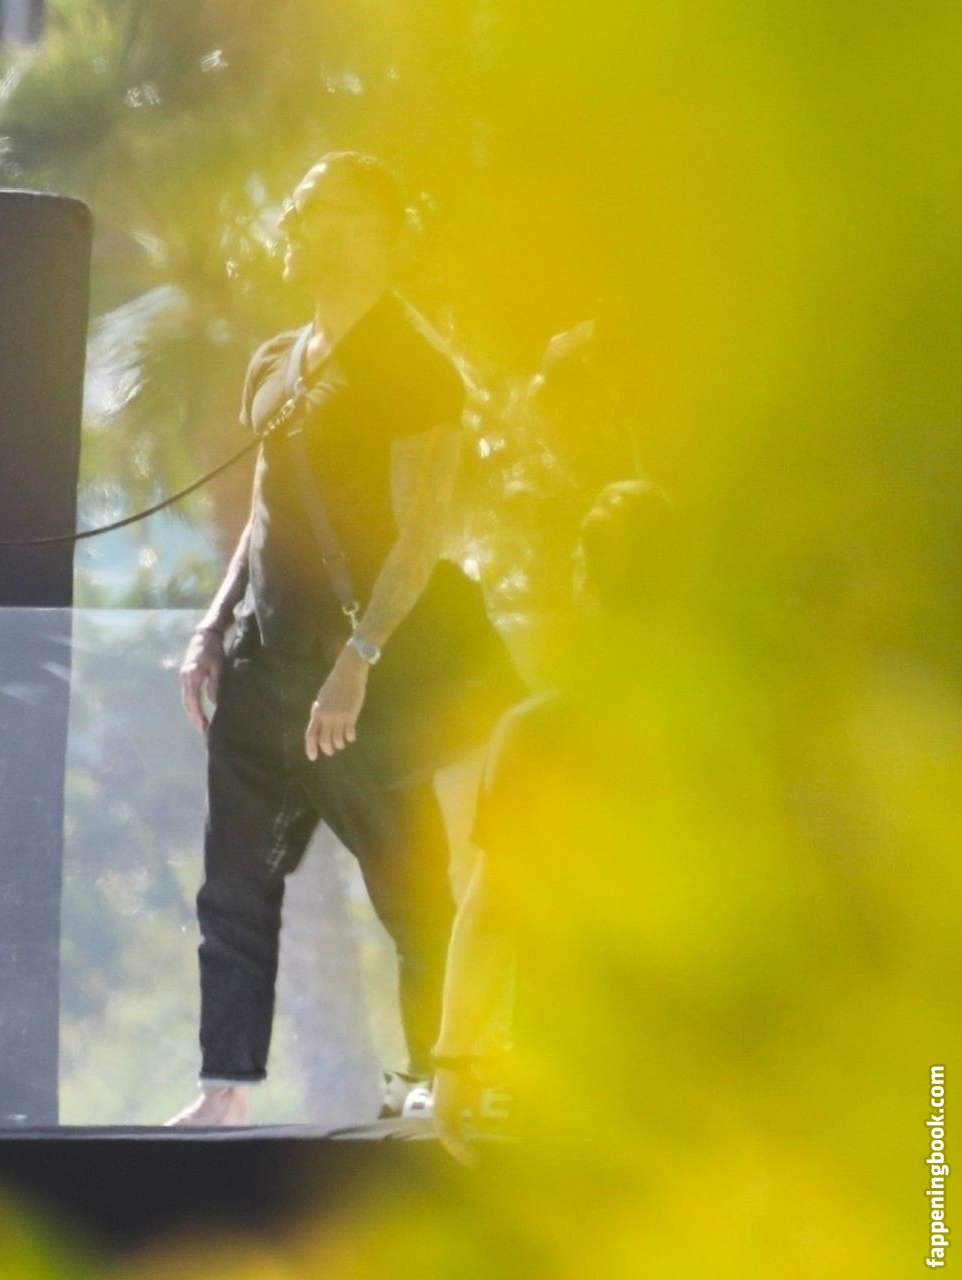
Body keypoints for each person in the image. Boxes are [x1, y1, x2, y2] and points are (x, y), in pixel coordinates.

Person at [171, 152, 481, 1125]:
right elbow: (267, 514)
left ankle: (442, 1080)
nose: (306, 225)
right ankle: (222, 1089)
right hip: (260, 662)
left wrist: (361, 658)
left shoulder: (418, 368)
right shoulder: (275, 359)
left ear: (383, 228)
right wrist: (211, 625)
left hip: (355, 676)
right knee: (232, 885)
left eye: (331, 211)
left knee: (411, 889)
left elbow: (423, 535)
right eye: (301, 209)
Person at [430, 479, 679, 1164]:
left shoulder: (540, 733)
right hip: (710, 1072)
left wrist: (453, 1061)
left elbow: (492, 909)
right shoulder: (736, 731)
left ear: (584, 582)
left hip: (572, 1069)